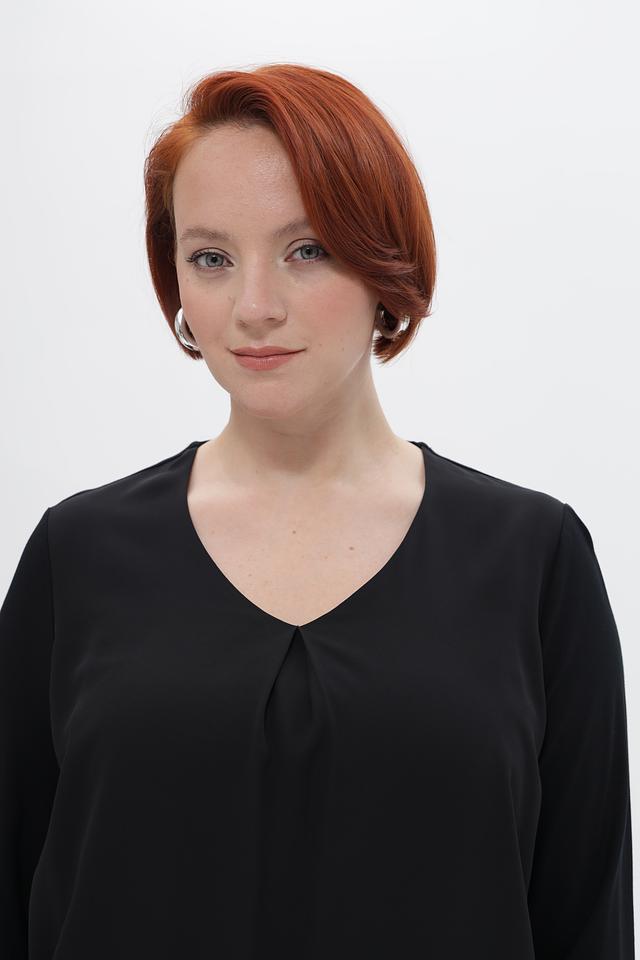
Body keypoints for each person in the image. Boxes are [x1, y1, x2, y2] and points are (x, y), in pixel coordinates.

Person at [0, 62, 634, 959]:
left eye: (307, 250)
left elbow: (587, 916)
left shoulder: (535, 559)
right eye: (211, 259)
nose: (254, 308)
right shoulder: (78, 556)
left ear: (385, 261)